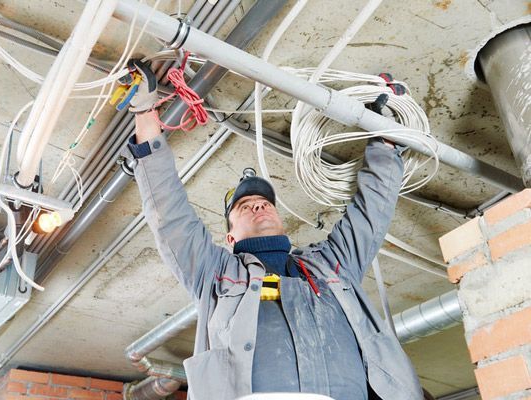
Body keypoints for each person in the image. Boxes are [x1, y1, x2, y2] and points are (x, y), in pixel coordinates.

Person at [125, 60, 424, 400]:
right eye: (244, 206)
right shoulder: (216, 275)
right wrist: (145, 112)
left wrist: (385, 142)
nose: (258, 205)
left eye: (265, 202)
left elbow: (371, 213)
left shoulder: (332, 266)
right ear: (229, 237)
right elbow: (170, 217)